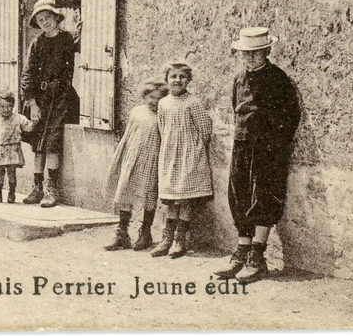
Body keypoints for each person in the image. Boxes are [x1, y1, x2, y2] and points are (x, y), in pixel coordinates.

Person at [213, 26, 301, 283]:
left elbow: (291, 117)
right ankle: (241, 252)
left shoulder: (278, 79)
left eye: (255, 53)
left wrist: (274, 144)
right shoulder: (239, 79)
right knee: (239, 195)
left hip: (268, 148)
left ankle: (257, 256)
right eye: (245, 54)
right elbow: (236, 110)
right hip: (242, 144)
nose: (249, 58)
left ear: (267, 52)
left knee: (263, 196)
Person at [19, 0, 79, 206]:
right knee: (38, 143)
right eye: (40, 19)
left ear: (56, 18)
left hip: (61, 98)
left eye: (48, 18)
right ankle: (37, 187)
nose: (45, 22)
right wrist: (32, 103)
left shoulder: (66, 40)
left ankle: (52, 190)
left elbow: (69, 70)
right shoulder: (37, 44)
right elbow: (27, 74)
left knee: (52, 142)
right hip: (41, 99)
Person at [153, 61, 214, 259]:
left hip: (190, 156)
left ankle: (180, 240)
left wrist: (192, 147)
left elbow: (205, 128)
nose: (178, 80)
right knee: (171, 199)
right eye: (173, 76)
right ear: (167, 80)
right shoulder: (163, 103)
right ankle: (166, 238)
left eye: (182, 77)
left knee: (185, 198)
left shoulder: (193, 102)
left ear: (188, 80)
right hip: (170, 154)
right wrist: (171, 146)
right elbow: (163, 128)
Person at [104, 81, 169, 250]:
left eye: (159, 98)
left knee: (149, 196)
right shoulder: (136, 112)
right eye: (151, 97)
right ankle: (122, 232)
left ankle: (145, 232)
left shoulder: (164, 115)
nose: (154, 101)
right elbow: (128, 135)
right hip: (132, 158)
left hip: (152, 160)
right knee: (125, 193)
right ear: (144, 96)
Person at [0, 89, 36, 203]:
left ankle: (11, 194)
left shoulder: (18, 118)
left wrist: (33, 122)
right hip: (0, 150)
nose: (6, 109)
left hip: (13, 150)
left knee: (12, 174)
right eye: (2, 106)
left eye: (9, 106)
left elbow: (28, 126)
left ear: (13, 105)